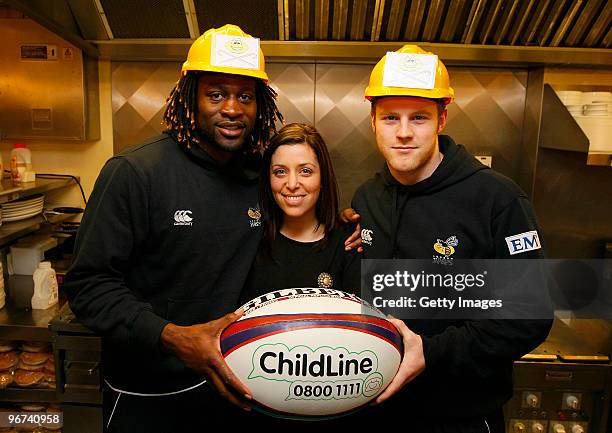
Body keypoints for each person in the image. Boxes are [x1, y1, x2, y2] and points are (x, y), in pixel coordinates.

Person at [63, 24, 284, 432]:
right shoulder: (134, 173)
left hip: (235, 391)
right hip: (146, 395)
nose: (232, 108)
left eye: (245, 96)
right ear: (190, 97)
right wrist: (172, 336)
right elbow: (88, 285)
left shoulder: (258, 175)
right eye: (216, 93)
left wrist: (344, 220)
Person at [349, 45, 553, 432]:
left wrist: (430, 351)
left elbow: (529, 316)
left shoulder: (497, 200)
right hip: (375, 409)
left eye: (419, 118)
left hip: (461, 416)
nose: (404, 132)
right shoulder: (368, 197)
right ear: (372, 120)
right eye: (391, 117)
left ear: (442, 119)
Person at [241, 122, 361, 302]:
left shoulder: (348, 243)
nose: (291, 184)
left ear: (322, 178)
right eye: (280, 172)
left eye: (305, 171)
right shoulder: (251, 241)